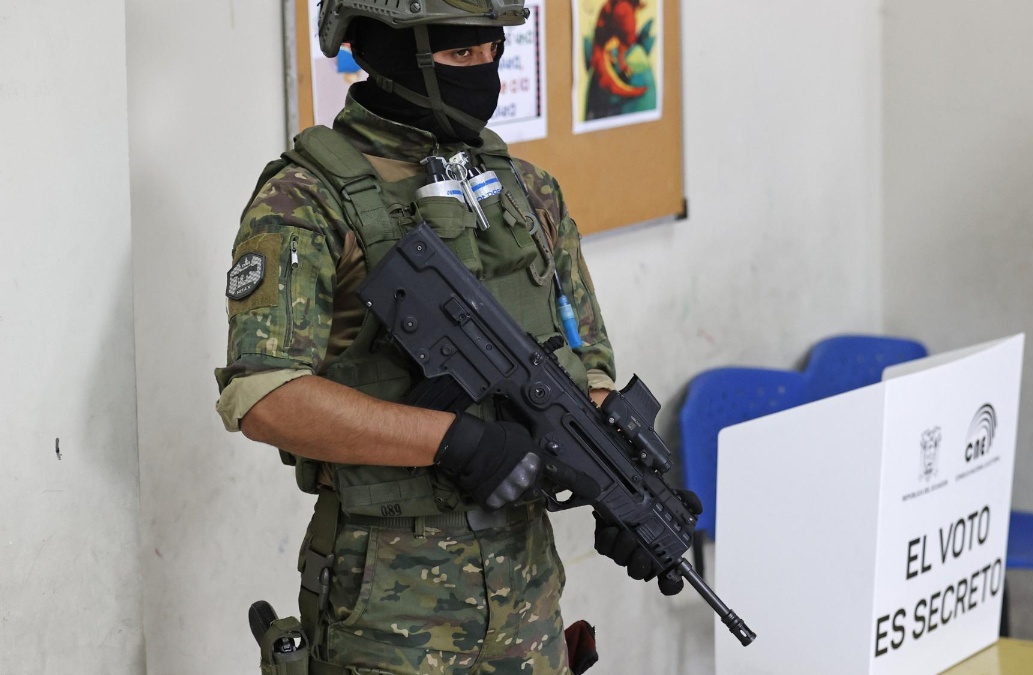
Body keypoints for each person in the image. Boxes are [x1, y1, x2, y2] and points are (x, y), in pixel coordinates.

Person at [215, 2, 687, 673]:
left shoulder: (530, 193)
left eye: (492, 52)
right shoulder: (306, 200)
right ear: (387, 51)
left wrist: (624, 485)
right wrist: (449, 440)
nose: (484, 71)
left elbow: (589, 370)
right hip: (387, 609)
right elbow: (265, 398)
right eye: (460, 55)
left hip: (528, 594)